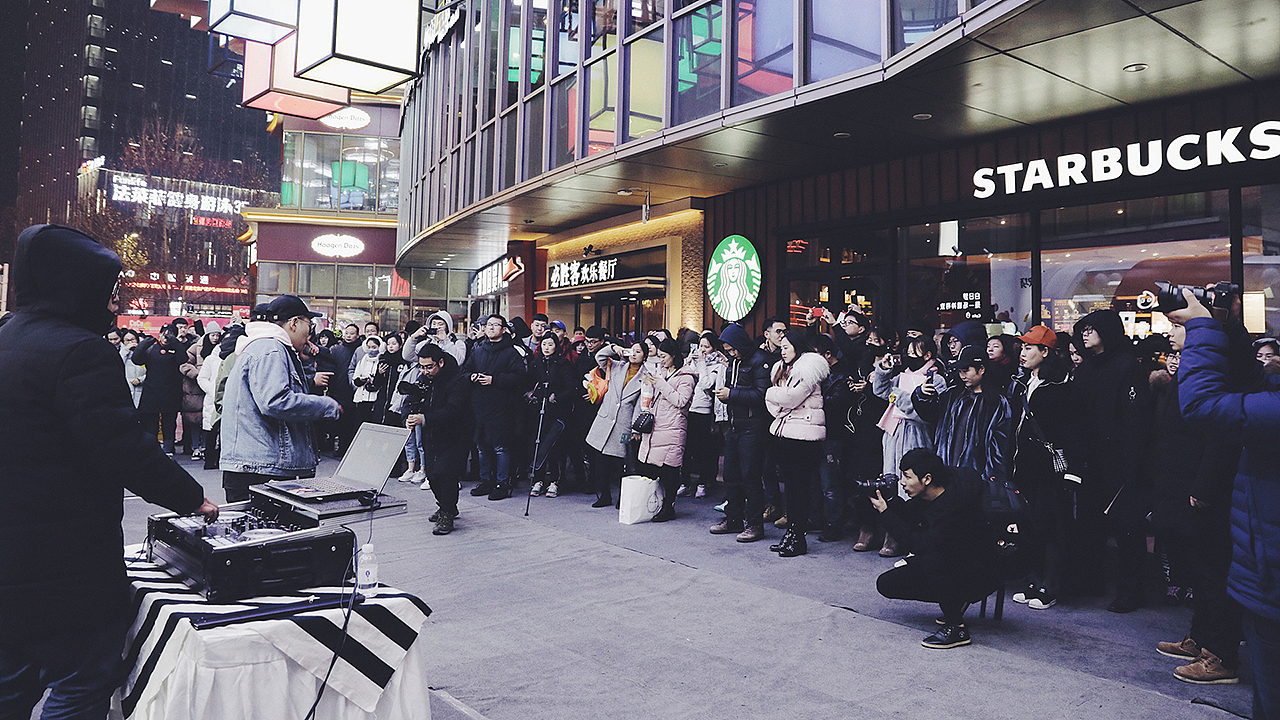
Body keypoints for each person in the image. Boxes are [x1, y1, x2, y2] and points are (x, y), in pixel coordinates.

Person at [0, 224, 218, 719]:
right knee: (81, 684)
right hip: (65, 564)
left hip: (10, 563)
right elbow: (122, 447)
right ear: (78, 286)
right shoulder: (80, 350)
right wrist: (192, 499)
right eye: (109, 289)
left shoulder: (7, 338)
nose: (114, 302)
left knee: (10, 686)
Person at [1172, 288, 1279, 716]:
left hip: (1270, 575)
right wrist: (1226, 328)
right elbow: (1248, 387)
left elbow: (1202, 405)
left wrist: (1201, 327)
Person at [1146, 312, 1244, 685]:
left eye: (1179, 326)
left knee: (1213, 571)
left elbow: (1220, 436)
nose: (1171, 334)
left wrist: (1204, 488)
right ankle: (1200, 639)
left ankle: (1221, 656)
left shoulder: (1216, 372)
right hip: (1179, 485)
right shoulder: (1187, 369)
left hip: (1200, 490)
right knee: (1200, 572)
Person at [872, 449, 999, 649]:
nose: (902, 482)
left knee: (932, 559)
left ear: (927, 479)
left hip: (983, 573)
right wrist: (888, 500)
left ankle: (957, 628)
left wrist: (886, 514)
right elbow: (911, 514)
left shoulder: (955, 509)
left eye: (907, 476)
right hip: (959, 564)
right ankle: (956, 600)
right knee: (887, 583)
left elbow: (919, 544)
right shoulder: (939, 488)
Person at [220, 295, 343, 502]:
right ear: (294, 323)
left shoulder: (269, 348)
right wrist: (326, 405)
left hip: (258, 468)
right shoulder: (271, 349)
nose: (310, 333)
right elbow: (275, 401)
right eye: (309, 325)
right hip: (263, 471)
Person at [1070, 309, 1152, 612]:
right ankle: (1091, 579)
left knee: (1126, 526)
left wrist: (1133, 463)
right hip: (1089, 456)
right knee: (1090, 521)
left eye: (1092, 329)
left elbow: (1136, 418)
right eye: (1084, 329)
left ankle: (1132, 589)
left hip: (1118, 457)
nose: (1085, 334)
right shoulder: (1086, 367)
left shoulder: (1127, 365)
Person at [1006, 325, 1079, 611]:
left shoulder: (1062, 385)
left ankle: (1050, 585)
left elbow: (1073, 430)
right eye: (1022, 348)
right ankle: (1033, 580)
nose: (1022, 353)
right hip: (1022, 465)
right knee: (1027, 525)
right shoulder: (1022, 382)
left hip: (1048, 468)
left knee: (1051, 527)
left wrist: (1073, 469)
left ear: (1045, 352)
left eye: (1029, 348)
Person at [871, 335, 947, 555]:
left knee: (912, 484)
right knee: (890, 480)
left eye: (914, 352)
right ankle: (891, 533)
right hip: (893, 430)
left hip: (916, 432)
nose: (909, 356)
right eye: (907, 351)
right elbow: (880, 391)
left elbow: (925, 413)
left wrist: (898, 397)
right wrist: (883, 370)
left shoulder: (937, 379)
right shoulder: (902, 375)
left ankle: (911, 535)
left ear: (928, 355)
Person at [763, 331, 829, 557]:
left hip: (804, 439)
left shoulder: (808, 370)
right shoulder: (785, 371)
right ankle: (791, 534)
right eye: (781, 346)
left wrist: (772, 392)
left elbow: (790, 398)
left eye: (786, 346)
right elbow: (774, 407)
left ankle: (798, 537)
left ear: (798, 348)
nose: (782, 350)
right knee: (791, 489)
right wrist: (777, 397)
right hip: (787, 436)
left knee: (801, 490)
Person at [913, 344, 1013, 491]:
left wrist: (991, 479)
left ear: (982, 369)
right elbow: (930, 415)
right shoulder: (952, 394)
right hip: (946, 473)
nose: (962, 375)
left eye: (966, 370)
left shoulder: (996, 402)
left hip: (976, 478)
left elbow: (1000, 445)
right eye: (960, 371)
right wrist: (921, 395)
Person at [709, 323, 772, 543]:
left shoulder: (759, 360)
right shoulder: (733, 363)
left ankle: (754, 524)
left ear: (740, 344)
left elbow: (762, 395)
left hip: (753, 426)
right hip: (734, 424)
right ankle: (733, 518)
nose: (731, 353)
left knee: (750, 477)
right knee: (731, 476)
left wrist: (731, 394)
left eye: (732, 349)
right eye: (727, 350)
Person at [404, 344, 471, 535]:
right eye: (422, 367)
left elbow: (454, 410)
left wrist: (424, 419)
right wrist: (410, 416)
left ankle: (447, 514)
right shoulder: (425, 379)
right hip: (432, 433)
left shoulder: (457, 380)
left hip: (456, 434)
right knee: (432, 476)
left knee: (447, 475)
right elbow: (413, 400)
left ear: (440, 362)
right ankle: (446, 506)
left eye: (429, 367)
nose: (425, 371)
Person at [462, 314, 529, 500]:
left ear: (504, 329)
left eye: (495, 325)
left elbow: (519, 377)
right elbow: (465, 371)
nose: (490, 328)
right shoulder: (478, 349)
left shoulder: (511, 351)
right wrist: (472, 377)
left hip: (502, 406)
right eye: (488, 325)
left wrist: (495, 380)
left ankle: (502, 483)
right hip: (479, 404)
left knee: (500, 447)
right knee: (482, 446)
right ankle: (486, 481)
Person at [635, 337, 697, 522]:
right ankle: (654, 503)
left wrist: (660, 383)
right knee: (651, 467)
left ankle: (668, 506)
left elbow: (681, 401)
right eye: (659, 356)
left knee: (669, 470)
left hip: (673, 427)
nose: (661, 360)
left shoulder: (686, 376)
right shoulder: (660, 371)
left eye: (664, 356)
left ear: (674, 355)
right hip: (656, 426)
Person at [585, 339, 647, 508]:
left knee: (621, 464)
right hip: (605, 418)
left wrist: (635, 427)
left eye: (638, 352)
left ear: (645, 356)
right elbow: (599, 356)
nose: (634, 354)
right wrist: (614, 348)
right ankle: (604, 496)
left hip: (624, 424)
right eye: (632, 350)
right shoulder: (617, 366)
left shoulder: (645, 376)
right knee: (600, 461)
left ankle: (622, 497)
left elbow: (640, 405)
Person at [679, 332, 725, 499]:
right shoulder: (695, 361)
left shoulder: (717, 365)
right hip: (687, 409)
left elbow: (706, 383)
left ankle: (702, 483)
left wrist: (702, 363)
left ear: (714, 348)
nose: (703, 349)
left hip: (703, 411)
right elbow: (681, 373)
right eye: (701, 346)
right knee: (685, 449)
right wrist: (689, 359)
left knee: (702, 451)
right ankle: (684, 483)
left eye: (707, 346)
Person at [527, 332, 573, 498]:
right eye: (544, 344)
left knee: (554, 447)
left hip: (556, 411)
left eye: (550, 344)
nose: (547, 348)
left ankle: (555, 481)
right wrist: (530, 394)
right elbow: (528, 382)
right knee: (538, 443)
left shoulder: (563, 364)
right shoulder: (535, 363)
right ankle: (538, 480)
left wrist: (557, 397)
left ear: (556, 346)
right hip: (538, 411)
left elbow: (570, 387)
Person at [132, 325, 186, 454]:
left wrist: (175, 342)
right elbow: (136, 360)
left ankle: (168, 450)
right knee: (151, 424)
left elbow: (183, 359)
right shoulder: (152, 348)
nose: (166, 337)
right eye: (164, 333)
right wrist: (144, 344)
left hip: (171, 393)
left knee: (169, 424)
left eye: (170, 334)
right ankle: (152, 450)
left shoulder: (176, 349)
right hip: (151, 392)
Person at [122, 329, 146, 408]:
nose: (130, 342)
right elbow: (118, 363)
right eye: (127, 340)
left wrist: (140, 379)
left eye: (132, 339)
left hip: (142, 387)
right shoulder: (121, 352)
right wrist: (125, 350)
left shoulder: (145, 352)